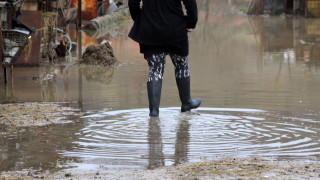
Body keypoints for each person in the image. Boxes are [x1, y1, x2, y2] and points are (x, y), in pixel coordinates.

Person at [128, 0, 201, 117]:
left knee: (155, 70)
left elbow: (132, 3)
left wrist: (142, 20)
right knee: (182, 64)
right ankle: (186, 102)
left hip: (150, 30)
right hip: (175, 29)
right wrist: (190, 23)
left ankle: (154, 111)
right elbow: (190, 4)